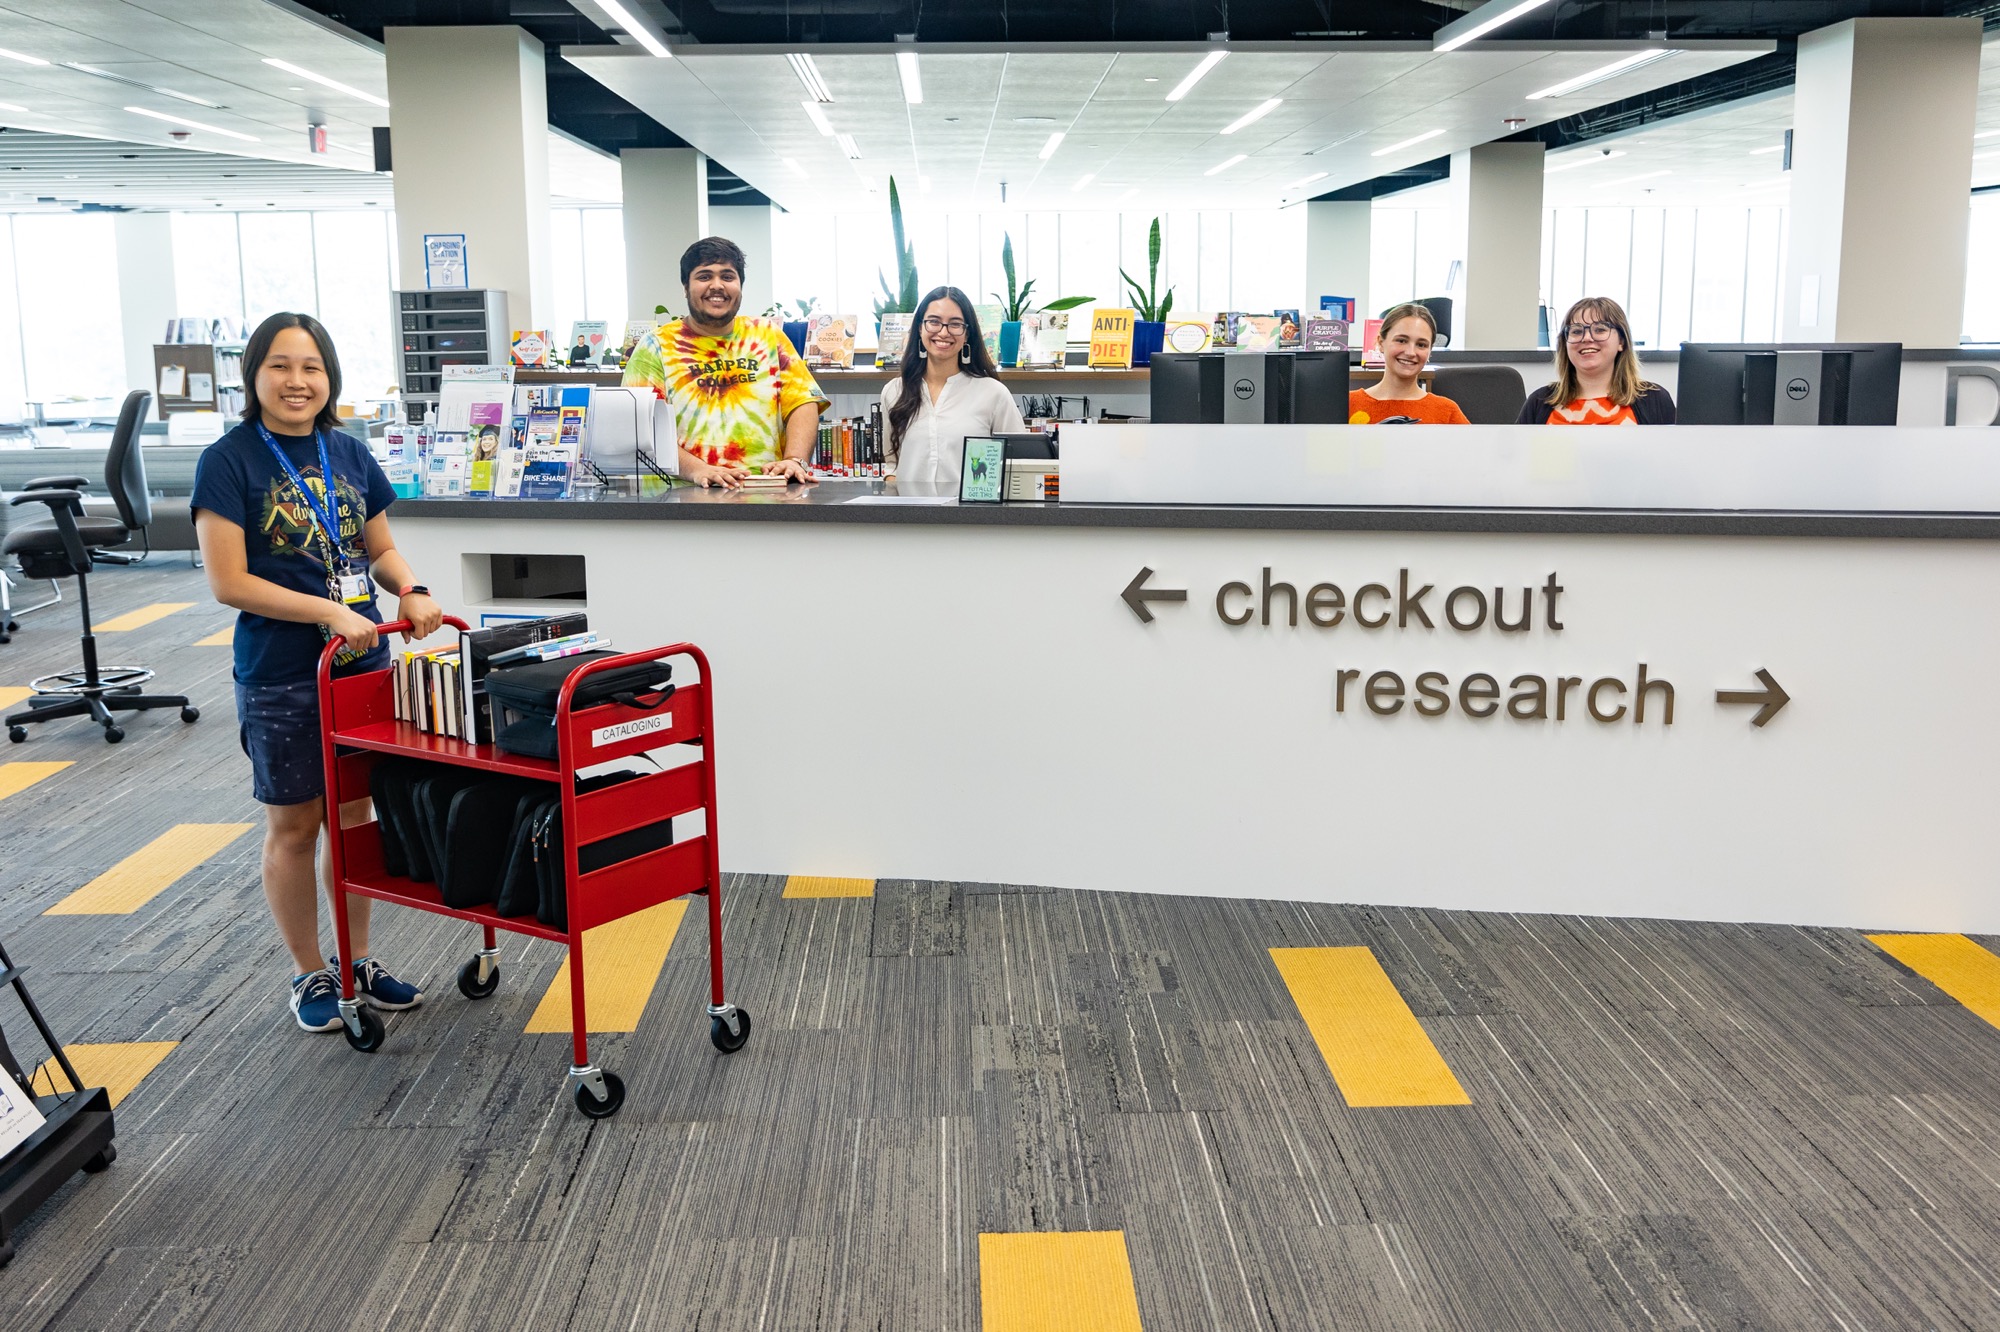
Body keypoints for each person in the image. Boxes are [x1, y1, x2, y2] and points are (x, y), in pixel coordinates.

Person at [191, 312, 444, 1034]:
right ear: (254, 375)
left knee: (356, 815)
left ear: (329, 377)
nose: (297, 381)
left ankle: (357, 958)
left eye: (311, 367)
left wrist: (412, 588)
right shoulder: (229, 459)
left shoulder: (350, 451)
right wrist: (326, 614)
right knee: (297, 825)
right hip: (282, 670)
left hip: (362, 665)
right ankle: (309, 972)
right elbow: (228, 582)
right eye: (280, 365)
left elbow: (380, 548)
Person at [622, 237, 829, 488]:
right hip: (681, 497)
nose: (717, 286)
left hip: (765, 490)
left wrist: (795, 460)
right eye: (704, 276)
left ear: (740, 286)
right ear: (686, 287)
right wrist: (698, 470)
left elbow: (802, 402)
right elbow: (640, 428)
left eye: (728, 277)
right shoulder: (655, 346)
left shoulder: (767, 334)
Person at [881, 288, 1026, 491]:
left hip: (972, 518)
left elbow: (1019, 462)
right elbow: (891, 464)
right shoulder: (894, 391)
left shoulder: (993, 393)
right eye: (934, 321)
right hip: (910, 517)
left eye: (955, 324)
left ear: (967, 334)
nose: (943, 332)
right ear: (919, 328)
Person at [1519, 296, 1676, 425]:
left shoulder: (1655, 400)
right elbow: (1517, 461)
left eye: (1600, 329)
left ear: (1621, 342)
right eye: (1576, 331)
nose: (1587, 338)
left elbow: (1674, 459)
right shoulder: (1539, 402)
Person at [1347, 304, 1470, 425]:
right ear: (1380, 343)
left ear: (1429, 351)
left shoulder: (1447, 412)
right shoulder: (1348, 404)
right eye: (1401, 341)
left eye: (1421, 345)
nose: (1411, 352)